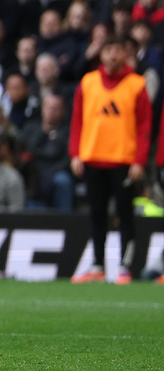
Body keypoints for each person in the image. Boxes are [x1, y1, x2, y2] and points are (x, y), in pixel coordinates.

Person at [69, 36, 157, 284]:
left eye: (117, 51)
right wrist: (75, 153)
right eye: (108, 50)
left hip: (123, 160)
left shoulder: (136, 85)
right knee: (96, 214)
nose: (112, 56)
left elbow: (144, 126)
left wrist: (140, 160)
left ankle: (125, 267)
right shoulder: (88, 82)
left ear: (125, 54)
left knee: (124, 215)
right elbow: (77, 120)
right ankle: (97, 266)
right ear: (101, 53)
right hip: (93, 157)